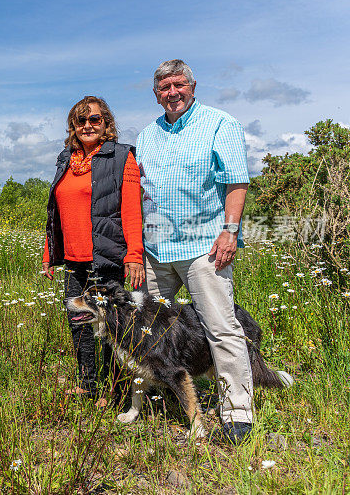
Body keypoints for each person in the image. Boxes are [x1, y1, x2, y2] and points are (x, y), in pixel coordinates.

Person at [136, 59, 253, 443]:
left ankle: (237, 411)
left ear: (192, 85)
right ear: (156, 94)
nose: (173, 93)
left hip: (204, 247)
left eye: (179, 85)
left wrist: (230, 231)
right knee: (147, 330)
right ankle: (164, 395)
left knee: (221, 327)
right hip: (155, 249)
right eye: (164, 88)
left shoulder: (220, 123)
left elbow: (236, 180)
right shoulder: (147, 135)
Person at [43, 95, 144, 403]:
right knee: (79, 322)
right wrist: (50, 253)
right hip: (74, 260)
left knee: (112, 327)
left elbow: (130, 210)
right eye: (80, 120)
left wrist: (135, 256)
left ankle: (117, 391)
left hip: (106, 257)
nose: (87, 125)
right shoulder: (66, 158)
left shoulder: (120, 156)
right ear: (73, 126)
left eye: (94, 119)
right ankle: (88, 383)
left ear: (106, 124)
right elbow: (55, 211)